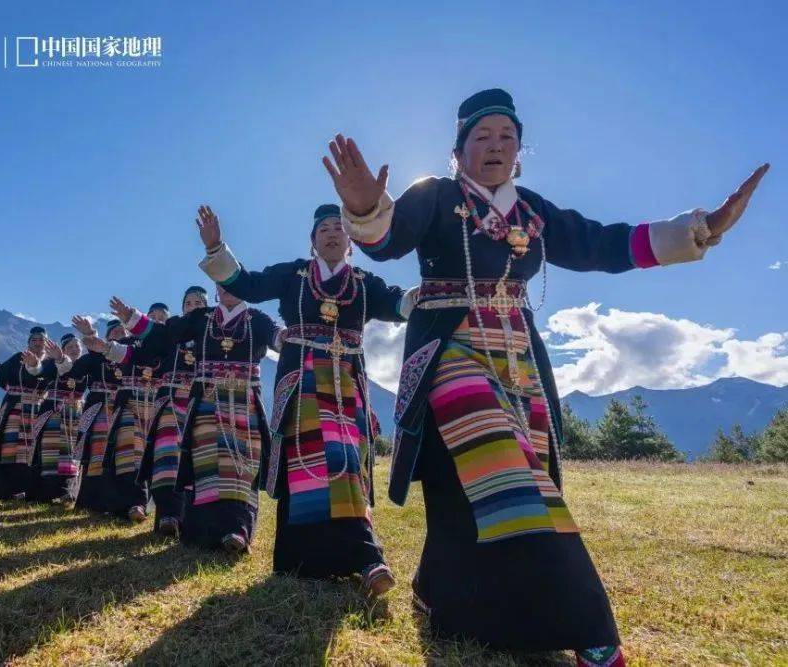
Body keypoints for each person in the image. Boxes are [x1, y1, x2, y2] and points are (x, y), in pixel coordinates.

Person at [323, 88, 769, 664]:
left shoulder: (532, 211)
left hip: (520, 360)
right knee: (509, 475)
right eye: (481, 137)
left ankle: (441, 592)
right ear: (457, 151)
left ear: (520, 150)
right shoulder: (433, 196)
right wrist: (365, 209)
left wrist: (701, 228)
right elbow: (389, 237)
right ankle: (586, 624)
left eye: (507, 137)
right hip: (450, 352)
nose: (496, 146)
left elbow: (603, 243)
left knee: (470, 487)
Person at [196, 203, 416, 597]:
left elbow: (398, 304)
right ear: (313, 241)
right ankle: (303, 559)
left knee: (347, 464)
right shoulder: (292, 275)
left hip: (347, 385)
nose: (332, 233)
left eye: (339, 228)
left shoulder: (364, 282)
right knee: (306, 464)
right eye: (324, 229)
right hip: (302, 384)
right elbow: (247, 283)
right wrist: (216, 248)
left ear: (350, 241)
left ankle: (366, 556)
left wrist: (425, 294)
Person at [105, 284, 280, 554]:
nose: (229, 289)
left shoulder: (257, 319)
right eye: (223, 284)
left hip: (244, 402)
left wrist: (287, 337)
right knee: (205, 464)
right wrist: (132, 317)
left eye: (235, 283)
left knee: (241, 466)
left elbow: (276, 337)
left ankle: (238, 530)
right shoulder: (201, 320)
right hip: (205, 401)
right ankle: (195, 527)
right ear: (217, 291)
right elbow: (162, 334)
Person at [68, 315, 155, 521]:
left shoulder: (133, 354)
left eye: (122, 332)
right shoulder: (96, 356)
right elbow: (75, 371)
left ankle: (133, 502)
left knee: (129, 452)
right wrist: (90, 335)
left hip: (128, 406)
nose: (119, 334)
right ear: (106, 338)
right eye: (114, 332)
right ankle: (93, 500)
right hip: (101, 408)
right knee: (98, 453)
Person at [139, 286, 209, 537]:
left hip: (200, 400)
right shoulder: (171, 332)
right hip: (169, 399)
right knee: (167, 457)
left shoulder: (211, 331)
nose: (192, 306)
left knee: (198, 457)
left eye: (198, 302)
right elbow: (147, 350)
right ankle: (168, 515)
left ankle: (192, 521)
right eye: (188, 303)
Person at [0, 326, 50, 501]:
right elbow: (0, 377)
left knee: (32, 450)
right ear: (28, 343)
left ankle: (27, 491)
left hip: (38, 408)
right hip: (14, 408)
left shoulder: (51, 363)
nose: (37, 344)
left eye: (41, 340)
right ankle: (3, 490)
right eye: (34, 340)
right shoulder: (17, 359)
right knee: (9, 448)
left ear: (47, 343)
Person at [25, 333, 88, 504]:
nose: (75, 349)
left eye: (77, 346)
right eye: (70, 347)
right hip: (54, 411)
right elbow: (39, 370)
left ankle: (67, 492)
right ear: (62, 350)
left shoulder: (86, 364)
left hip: (76, 412)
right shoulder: (53, 364)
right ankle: (45, 492)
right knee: (49, 451)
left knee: (71, 453)